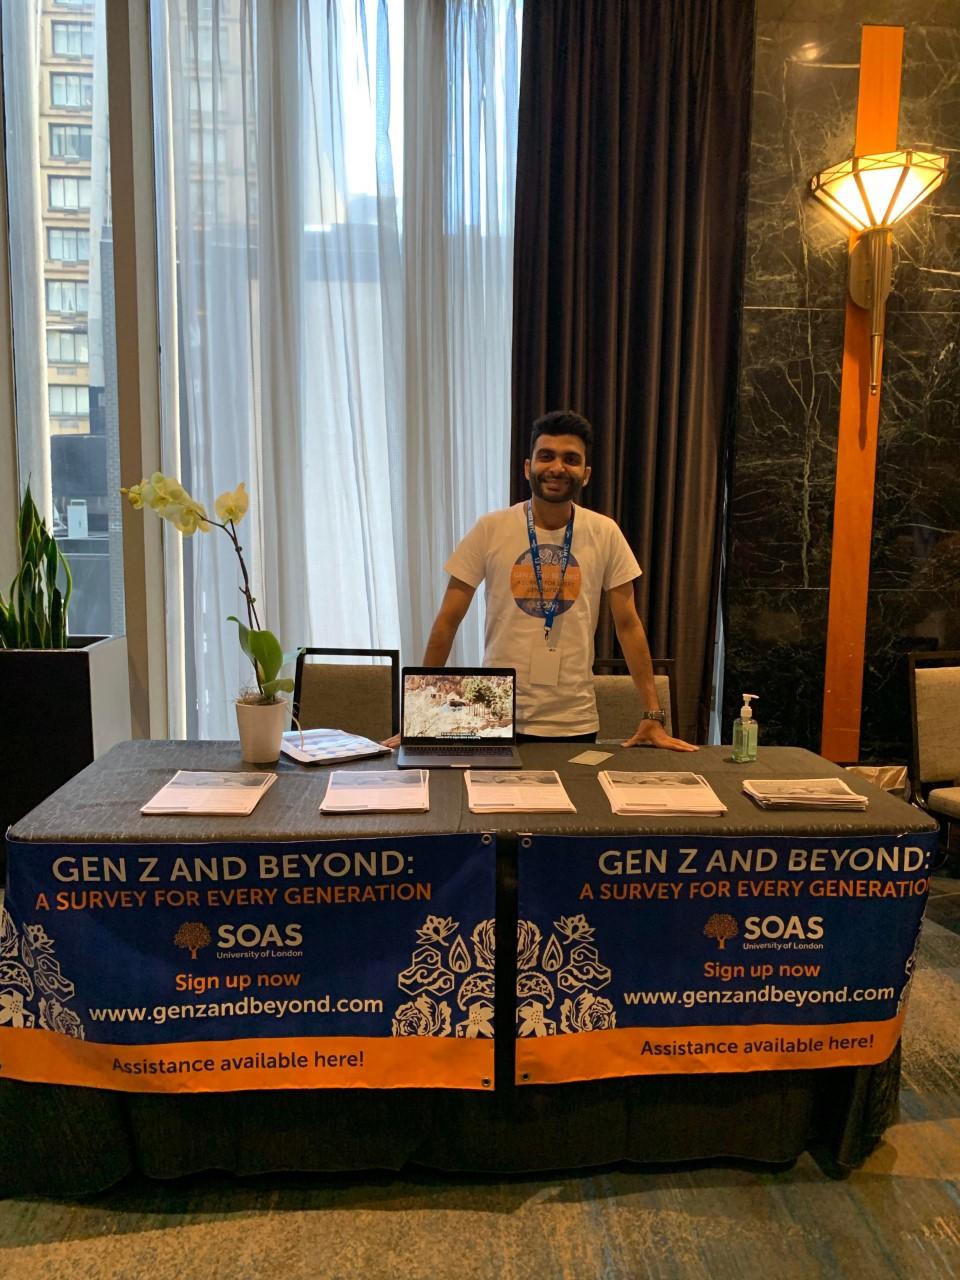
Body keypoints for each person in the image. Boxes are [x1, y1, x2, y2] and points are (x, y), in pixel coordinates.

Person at [419, 410, 696, 749]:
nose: (557, 468)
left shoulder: (604, 532)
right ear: (527, 467)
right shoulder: (490, 529)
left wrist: (653, 715)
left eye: (571, 459)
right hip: (496, 713)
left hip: (573, 719)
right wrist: (419, 715)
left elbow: (628, 625)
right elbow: (448, 619)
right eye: (546, 456)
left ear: (586, 474)